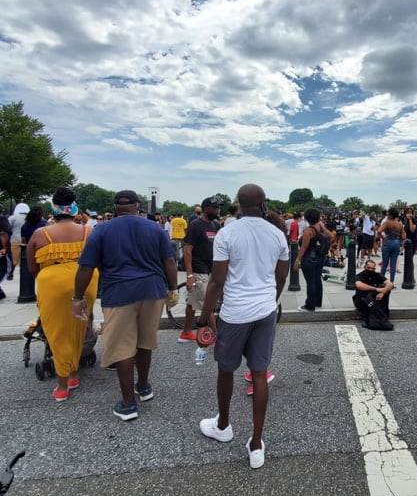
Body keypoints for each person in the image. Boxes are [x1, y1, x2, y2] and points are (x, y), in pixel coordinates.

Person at [196, 184, 289, 469]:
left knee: (226, 369)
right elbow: (281, 278)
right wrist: (268, 301)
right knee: (259, 374)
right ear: (263, 205)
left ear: (238, 204)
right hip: (265, 310)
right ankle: (256, 443)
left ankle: (223, 425)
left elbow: (217, 282)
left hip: (235, 313)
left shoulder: (227, 232)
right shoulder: (277, 234)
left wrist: (203, 319)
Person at [73, 190, 178, 421]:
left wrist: (77, 297)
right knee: (145, 342)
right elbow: (169, 261)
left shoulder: (101, 230)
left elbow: (85, 267)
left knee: (122, 347)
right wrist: (172, 289)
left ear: (115, 207)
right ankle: (143, 386)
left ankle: (128, 403)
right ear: (138, 206)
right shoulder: (154, 228)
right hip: (152, 290)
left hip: (119, 291)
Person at [26, 187, 99, 401]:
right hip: (85, 282)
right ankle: (74, 373)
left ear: (54, 209)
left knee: (57, 332)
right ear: (75, 208)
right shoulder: (88, 231)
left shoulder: (41, 234)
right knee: (79, 327)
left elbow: (32, 267)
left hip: (52, 284)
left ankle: (62, 386)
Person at [181, 197, 221, 341]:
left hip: (211, 269)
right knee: (207, 302)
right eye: (214, 208)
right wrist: (189, 275)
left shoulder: (216, 225)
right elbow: (187, 250)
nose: (217, 210)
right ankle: (218, 337)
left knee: (192, 302)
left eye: (218, 207)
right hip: (199, 270)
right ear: (205, 209)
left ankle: (186, 333)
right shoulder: (196, 225)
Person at [294, 208, 334, 312]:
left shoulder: (308, 230)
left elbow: (304, 246)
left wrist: (297, 260)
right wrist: (323, 228)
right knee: (317, 280)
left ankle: (309, 305)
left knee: (310, 282)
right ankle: (318, 302)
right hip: (320, 257)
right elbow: (331, 236)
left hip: (309, 258)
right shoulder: (320, 227)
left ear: (307, 218)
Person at [353, 259, 394, 330]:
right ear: (365, 267)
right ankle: (366, 318)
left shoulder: (377, 275)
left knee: (385, 289)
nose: (370, 270)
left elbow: (390, 284)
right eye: (368, 268)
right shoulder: (359, 276)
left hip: (373, 300)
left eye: (372, 268)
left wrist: (382, 293)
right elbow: (359, 285)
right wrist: (376, 289)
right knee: (365, 293)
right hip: (362, 300)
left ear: (374, 269)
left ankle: (382, 317)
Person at [377, 207, 406, 282]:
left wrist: (383, 238)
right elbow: (403, 236)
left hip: (388, 241)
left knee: (385, 264)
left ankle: (381, 281)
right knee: (393, 265)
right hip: (396, 243)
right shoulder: (400, 224)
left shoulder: (386, 223)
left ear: (390, 215)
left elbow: (379, 231)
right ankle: (391, 282)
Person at [7, 203, 29, 279]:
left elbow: (7, 228)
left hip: (14, 240)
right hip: (26, 241)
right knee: (25, 259)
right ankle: (25, 274)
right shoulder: (29, 218)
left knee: (13, 259)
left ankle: (11, 274)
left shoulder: (13, 218)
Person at [0, 205, 10, 300]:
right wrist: (4, 247)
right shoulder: (2, 219)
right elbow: (3, 233)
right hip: (0, 249)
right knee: (3, 269)